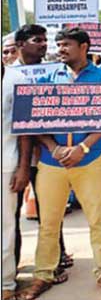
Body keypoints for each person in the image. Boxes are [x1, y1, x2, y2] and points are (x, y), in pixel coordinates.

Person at [22, 27, 101, 300]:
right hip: (51, 163)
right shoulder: (47, 77)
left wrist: (82, 147)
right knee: (49, 222)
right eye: (59, 44)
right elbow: (33, 120)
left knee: (97, 219)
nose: (60, 49)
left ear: (84, 47)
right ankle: (43, 274)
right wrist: (54, 148)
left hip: (90, 159)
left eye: (66, 44)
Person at [2, 63, 31, 300]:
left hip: (7, 163)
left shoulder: (17, 79)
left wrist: (23, 167)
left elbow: (24, 128)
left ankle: (6, 283)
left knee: (6, 225)